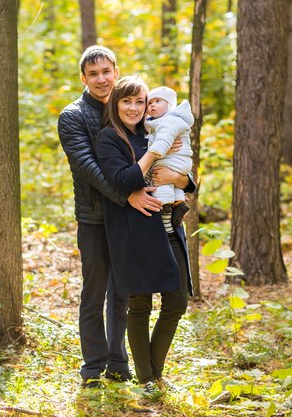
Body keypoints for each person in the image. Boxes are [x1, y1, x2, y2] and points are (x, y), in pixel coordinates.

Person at [57, 46, 172, 388]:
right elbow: (87, 167)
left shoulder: (131, 107)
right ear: (84, 78)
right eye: (93, 74)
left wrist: (180, 174)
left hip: (127, 216)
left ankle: (118, 362)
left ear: (116, 71)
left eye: (106, 71)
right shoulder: (73, 115)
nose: (102, 78)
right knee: (94, 291)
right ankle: (93, 367)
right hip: (95, 215)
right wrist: (128, 194)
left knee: (123, 290)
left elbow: (158, 147)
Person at [95, 76, 195, 400]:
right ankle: (148, 379)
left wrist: (179, 176)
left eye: (141, 101)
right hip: (135, 232)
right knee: (140, 306)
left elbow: (185, 176)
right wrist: (153, 155)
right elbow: (124, 180)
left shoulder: (154, 128)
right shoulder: (109, 138)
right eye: (128, 102)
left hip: (170, 230)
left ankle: (153, 371)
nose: (135, 108)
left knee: (177, 302)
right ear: (116, 103)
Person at [145, 86, 194, 227]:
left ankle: (164, 206)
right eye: (149, 102)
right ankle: (179, 203)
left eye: (158, 101)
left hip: (173, 161)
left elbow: (164, 139)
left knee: (159, 178)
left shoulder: (168, 121)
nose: (152, 105)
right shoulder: (164, 120)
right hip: (181, 164)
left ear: (170, 105)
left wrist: (156, 151)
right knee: (171, 184)